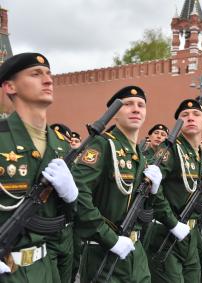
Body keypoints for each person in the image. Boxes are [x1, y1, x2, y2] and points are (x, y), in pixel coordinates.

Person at [0, 52, 78, 282]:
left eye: (48, 74)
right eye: (36, 74)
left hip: (46, 268)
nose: (48, 80)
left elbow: (68, 219)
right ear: (9, 87)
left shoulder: (61, 146)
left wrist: (72, 197)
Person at [71, 86, 161, 282]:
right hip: (103, 254)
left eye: (141, 105)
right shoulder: (102, 145)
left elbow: (141, 210)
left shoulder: (141, 156)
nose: (136, 109)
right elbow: (78, 195)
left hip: (136, 254)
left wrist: (153, 192)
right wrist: (110, 239)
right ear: (114, 113)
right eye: (128, 104)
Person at [146, 98, 202, 282]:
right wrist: (172, 222)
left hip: (190, 235)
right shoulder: (170, 149)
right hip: (166, 233)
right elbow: (152, 187)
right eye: (184, 115)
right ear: (178, 123)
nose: (190, 118)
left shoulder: (201, 154)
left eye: (196, 114)